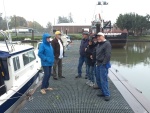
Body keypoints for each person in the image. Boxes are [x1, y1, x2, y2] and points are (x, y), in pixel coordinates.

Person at [96, 32, 111, 101]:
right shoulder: (99, 44)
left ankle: (107, 94)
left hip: (103, 64)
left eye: (99, 36)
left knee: (103, 79)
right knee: (98, 79)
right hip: (98, 63)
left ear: (103, 36)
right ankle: (103, 91)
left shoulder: (107, 44)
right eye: (97, 37)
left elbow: (108, 55)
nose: (98, 38)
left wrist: (104, 63)